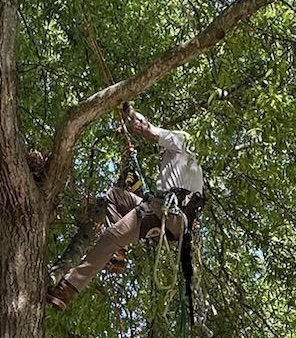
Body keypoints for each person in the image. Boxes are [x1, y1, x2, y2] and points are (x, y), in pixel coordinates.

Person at [48, 104, 206, 310]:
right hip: (166, 212)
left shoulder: (180, 139)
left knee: (110, 238)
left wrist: (127, 110)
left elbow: (146, 128)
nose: (159, 152)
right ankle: (118, 253)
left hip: (169, 214)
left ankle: (67, 288)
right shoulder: (182, 165)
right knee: (115, 196)